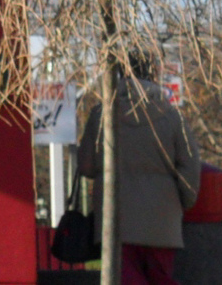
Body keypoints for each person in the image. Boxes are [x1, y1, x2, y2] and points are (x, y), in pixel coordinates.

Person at [76, 56, 202, 285]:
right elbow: (190, 169)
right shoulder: (172, 117)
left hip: (115, 220)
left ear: (119, 73)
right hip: (162, 221)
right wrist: (185, 201)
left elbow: (85, 166)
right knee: (160, 277)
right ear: (153, 76)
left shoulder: (101, 114)